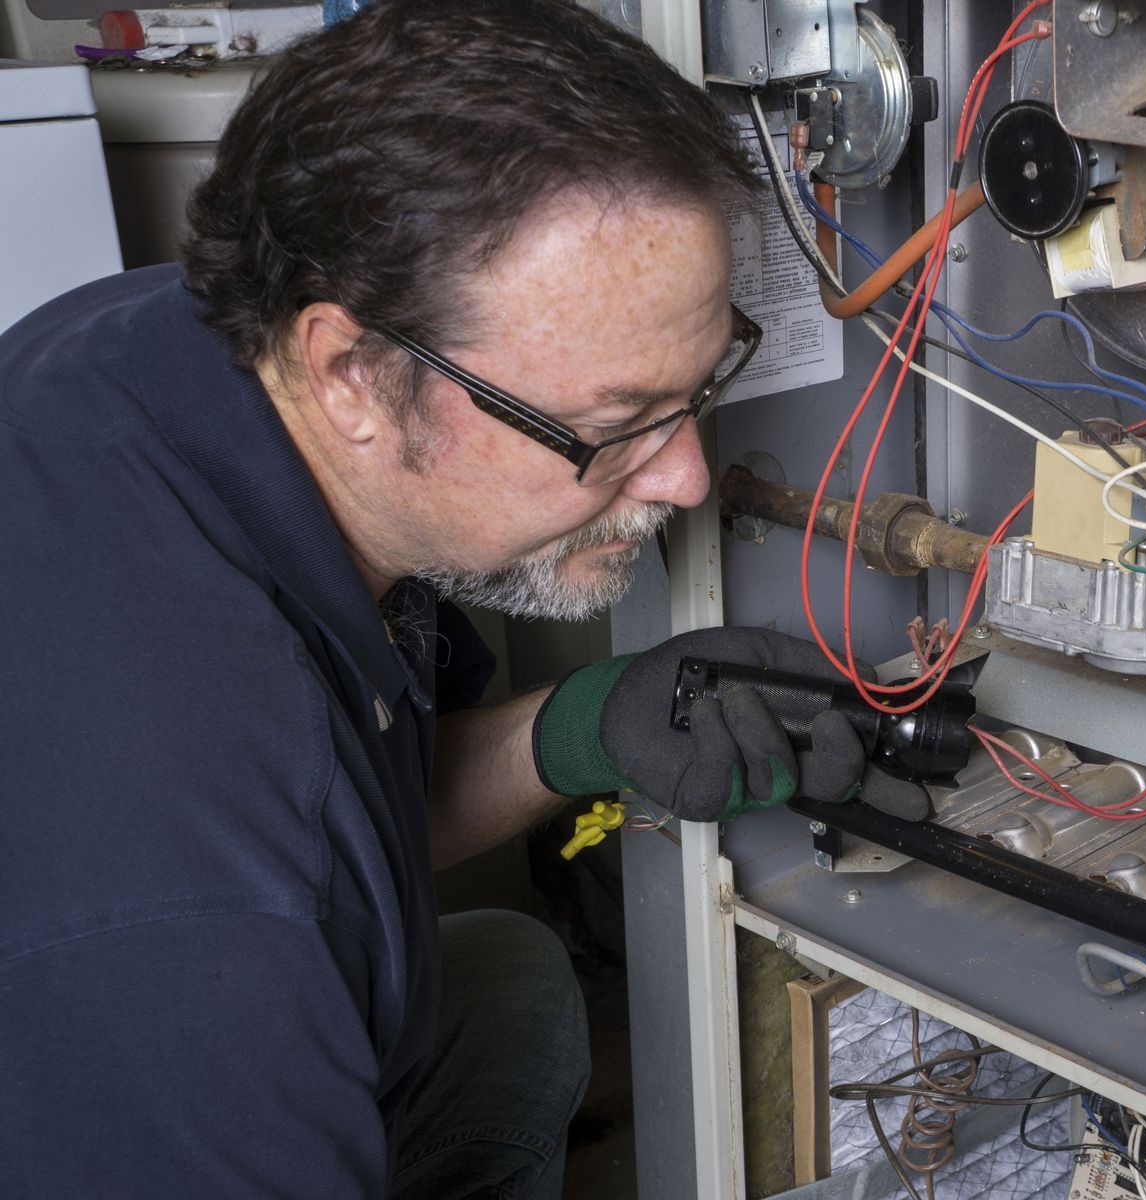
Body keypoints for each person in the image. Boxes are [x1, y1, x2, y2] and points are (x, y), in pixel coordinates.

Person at [0, 0, 923, 1195]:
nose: (688, 474)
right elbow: (281, 850)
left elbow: (364, 811)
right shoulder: (209, 911)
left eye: (698, 388)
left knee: (508, 985)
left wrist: (583, 725)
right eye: (614, 427)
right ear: (353, 375)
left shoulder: (161, 345)